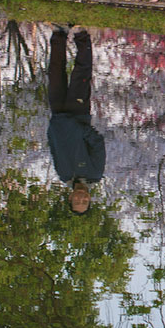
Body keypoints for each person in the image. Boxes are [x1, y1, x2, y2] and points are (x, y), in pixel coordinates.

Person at [48, 26, 105, 214]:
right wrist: (79, 129)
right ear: (90, 199)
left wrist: (52, 129)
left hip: (58, 116)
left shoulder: (63, 174)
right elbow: (97, 144)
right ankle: (82, 36)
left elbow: (54, 147)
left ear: (70, 198)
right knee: (80, 74)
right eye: (85, 202)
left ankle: (59, 34)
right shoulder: (95, 173)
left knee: (55, 73)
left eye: (77, 201)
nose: (82, 198)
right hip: (78, 115)